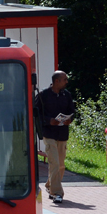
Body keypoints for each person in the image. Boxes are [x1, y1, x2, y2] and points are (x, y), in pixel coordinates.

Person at [37, 71, 75, 204]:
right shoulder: (43, 95)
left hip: (62, 134)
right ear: (56, 81)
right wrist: (48, 121)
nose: (67, 82)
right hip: (49, 134)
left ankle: (49, 186)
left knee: (61, 165)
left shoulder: (67, 95)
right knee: (54, 163)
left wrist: (69, 120)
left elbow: (73, 111)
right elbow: (36, 114)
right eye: (65, 79)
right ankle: (57, 193)